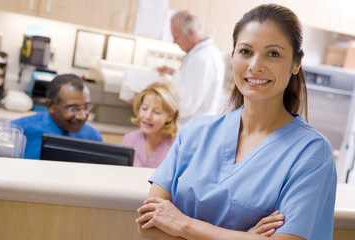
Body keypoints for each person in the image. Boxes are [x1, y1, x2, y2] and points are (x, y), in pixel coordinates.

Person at [136, 4, 337, 240]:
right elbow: (148, 224)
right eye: (245, 51)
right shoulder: (195, 133)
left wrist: (183, 225)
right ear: (233, 56)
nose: (255, 65)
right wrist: (244, 237)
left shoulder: (311, 153)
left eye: (273, 54)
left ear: (296, 63)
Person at [157, 10, 225, 126]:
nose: (174, 41)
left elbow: (185, 106)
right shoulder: (208, 53)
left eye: (176, 37)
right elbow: (196, 82)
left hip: (189, 128)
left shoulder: (200, 59)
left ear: (191, 33)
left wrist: (153, 104)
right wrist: (175, 72)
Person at [12, 74, 102, 160]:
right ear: (50, 105)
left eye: (86, 107)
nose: (82, 116)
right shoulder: (18, 132)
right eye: (72, 109)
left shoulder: (93, 137)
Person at [122, 82, 179, 168]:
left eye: (156, 112)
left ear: (170, 116)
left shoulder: (177, 146)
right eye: (144, 108)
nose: (148, 116)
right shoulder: (129, 140)